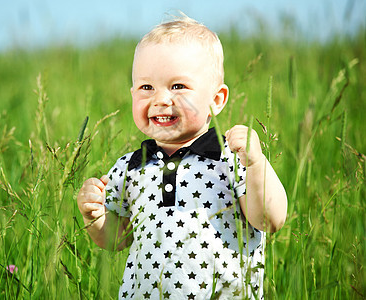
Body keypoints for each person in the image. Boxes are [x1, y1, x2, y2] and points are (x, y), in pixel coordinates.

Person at [77, 14, 287, 299]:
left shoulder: (229, 159)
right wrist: (96, 216)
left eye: (178, 86)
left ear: (216, 99)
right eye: (146, 87)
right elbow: (119, 238)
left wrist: (257, 164)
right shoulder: (130, 167)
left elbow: (269, 220)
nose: (161, 99)